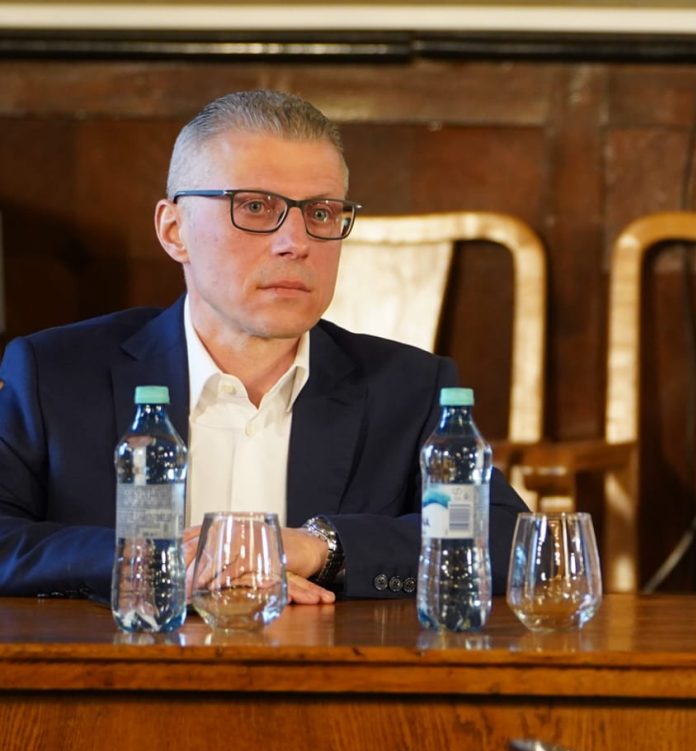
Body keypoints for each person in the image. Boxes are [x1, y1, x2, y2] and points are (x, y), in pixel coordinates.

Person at [0, 90, 527, 604]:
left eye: (321, 213)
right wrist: (152, 562)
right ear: (174, 230)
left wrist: (322, 549)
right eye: (254, 206)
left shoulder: (407, 387)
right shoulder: (54, 374)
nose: (296, 242)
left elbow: (504, 538)